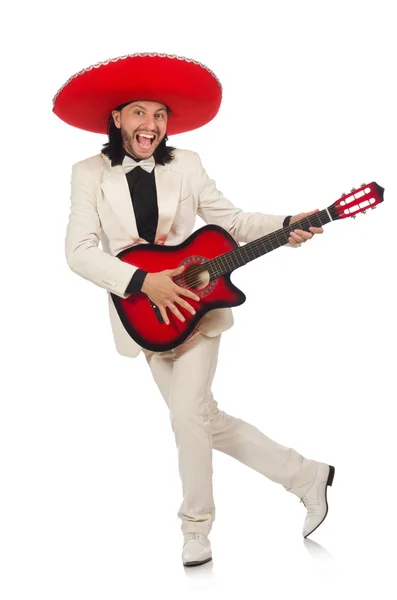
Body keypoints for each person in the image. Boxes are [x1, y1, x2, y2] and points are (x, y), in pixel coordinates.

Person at [53, 52, 335, 568]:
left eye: (159, 115)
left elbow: (232, 220)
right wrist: (142, 281)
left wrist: (287, 222)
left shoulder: (188, 164)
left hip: (199, 310)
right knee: (202, 418)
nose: (151, 124)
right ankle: (306, 475)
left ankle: (196, 529)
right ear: (117, 119)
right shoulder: (87, 174)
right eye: (139, 113)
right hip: (145, 318)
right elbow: (78, 251)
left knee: (186, 415)